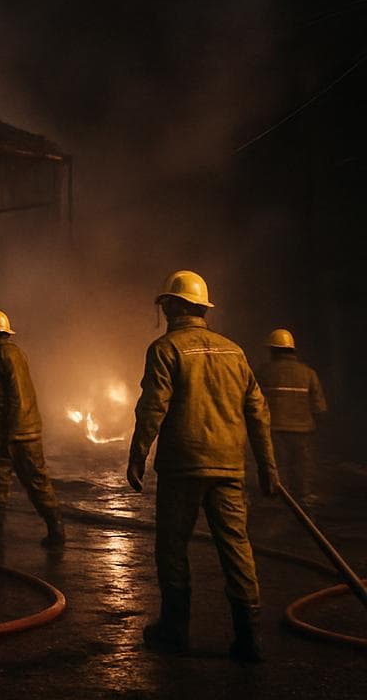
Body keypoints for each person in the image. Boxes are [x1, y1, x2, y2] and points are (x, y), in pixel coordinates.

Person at [127, 270, 279, 663]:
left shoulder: (165, 349)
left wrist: (137, 454)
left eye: (166, 304)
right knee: (236, 549)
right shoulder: (235, 351)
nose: (163, 310)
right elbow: (258, 411)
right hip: (229, 467)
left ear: (175, 305)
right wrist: (267, 466)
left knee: (172, 547)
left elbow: (153, 407)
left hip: (183, 466)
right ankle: (249, 638)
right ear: (202, 308)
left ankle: (174, 631)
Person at [0, 310, 66, 549]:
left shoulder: (9, 355)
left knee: (36, 483)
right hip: (1, 435)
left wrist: (13, 436)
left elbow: (18, 397)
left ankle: (56, 529)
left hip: (19, 436)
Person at [256, 328, 327, 506]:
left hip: (274, 429)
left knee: (278, 466)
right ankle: (303, 497)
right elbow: (319, 406)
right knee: (302, 466)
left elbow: (253, 402)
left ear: (272, 350)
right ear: (292, 349)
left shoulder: (263, 372)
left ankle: (278, 499)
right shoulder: (308, 373)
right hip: (303, 431)